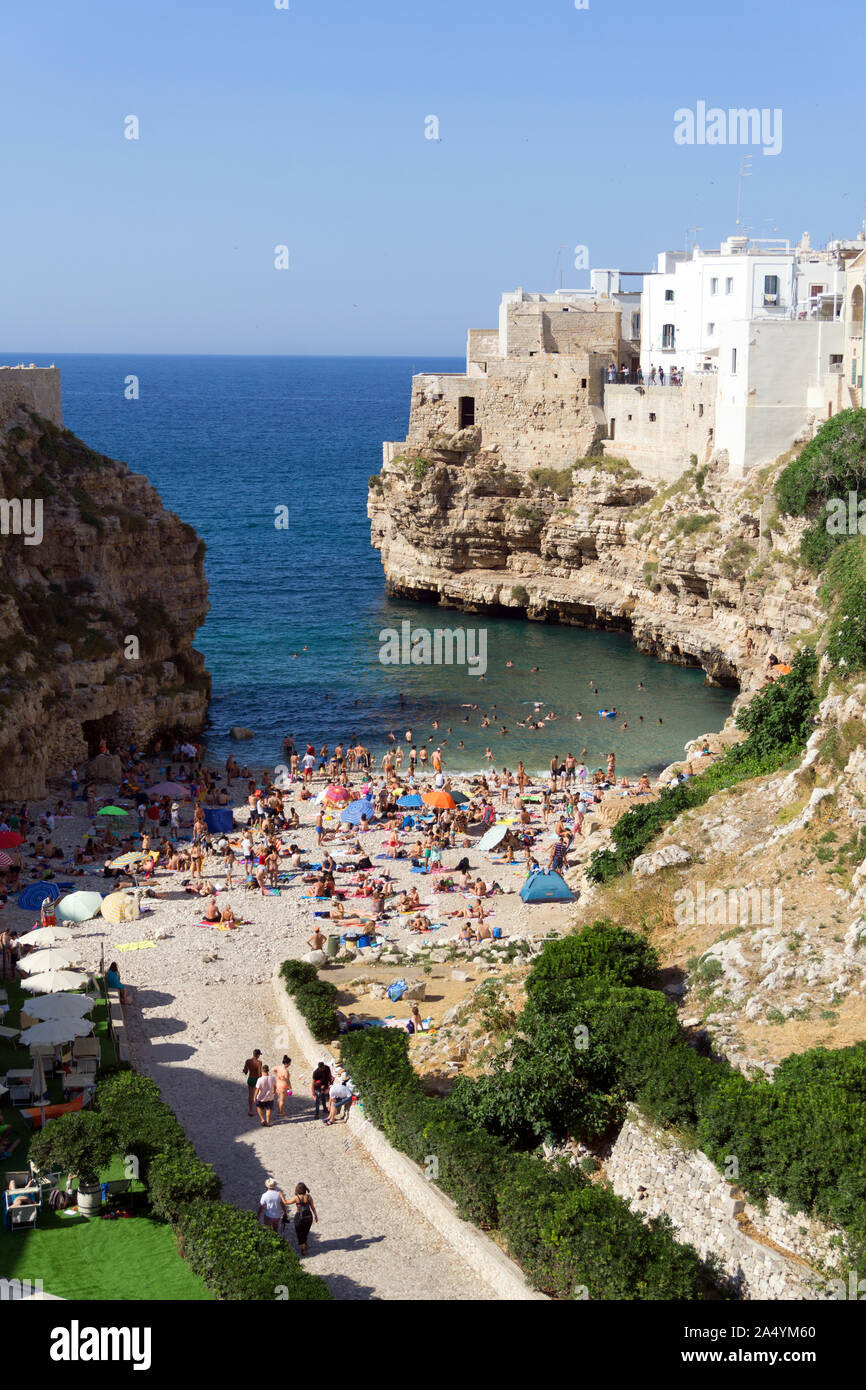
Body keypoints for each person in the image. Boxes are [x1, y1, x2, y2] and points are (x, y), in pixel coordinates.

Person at [284, 1182, 318, 1255]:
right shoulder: (309, 1197)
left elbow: (286, 1202)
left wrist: (280, 1195)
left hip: (299, 1216)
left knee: (300, 1232)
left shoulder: (297, 1198)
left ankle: (303, 1249)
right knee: (305, 1231)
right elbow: (312, 1207)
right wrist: (316, 1216)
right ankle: (304, 1242)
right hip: (309, 1216)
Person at [243, 1049, 263, 1117]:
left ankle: (251, 1110)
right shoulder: (259, 1062)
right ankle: (260, 1108)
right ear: (257, 1055)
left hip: (251, 1079)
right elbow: (260, 1073)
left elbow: (245, 1071)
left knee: (251, 1095)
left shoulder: (248, 1061)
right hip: (257, 1079)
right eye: (259, 1054)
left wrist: (244, 1071)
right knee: (259, 1095)